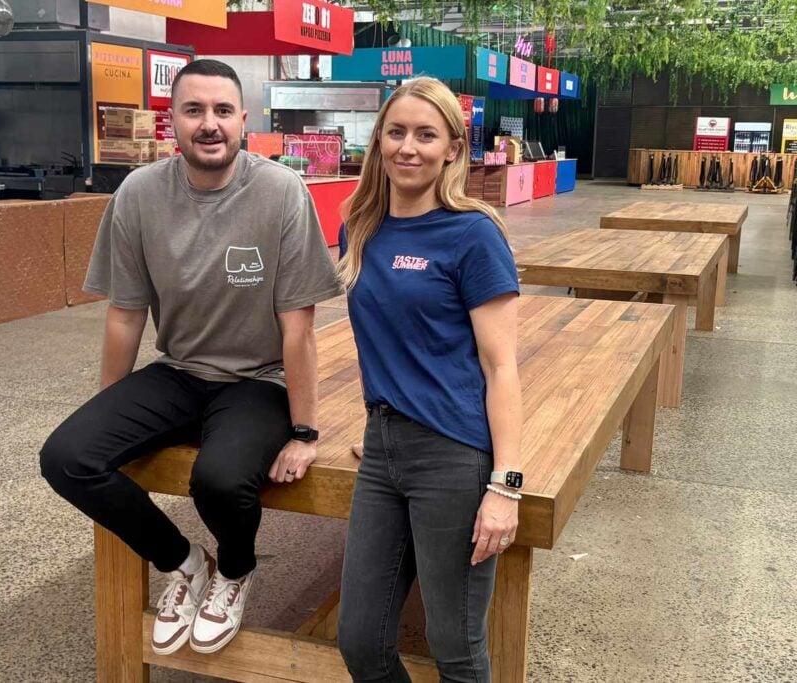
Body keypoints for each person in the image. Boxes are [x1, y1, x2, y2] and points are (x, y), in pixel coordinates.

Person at [39, 59, 341, 656]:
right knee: (67, 457)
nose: (210, 124)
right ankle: (183, 561)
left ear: (244, 120)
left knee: (219, 481)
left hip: (258, 380)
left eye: (223, 110)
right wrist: (109, 414)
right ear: (171, 120)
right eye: (194, 110)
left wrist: (305, 432)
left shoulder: (281, 192)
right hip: (178, 370)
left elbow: (298, 329)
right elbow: (126, 314)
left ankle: (235, 569)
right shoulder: (139, 194)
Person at [335, 77, 523, 682]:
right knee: (359, 641)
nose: (408, 147)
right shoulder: (360, 228)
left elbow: (501, 367)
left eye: (426, 135)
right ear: (378, 141)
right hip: (382, 449)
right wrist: (387, 424)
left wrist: (506, 485)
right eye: (396, 132)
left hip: (453, 455)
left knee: (455, 646)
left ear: (453, 149)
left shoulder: (473, 234)